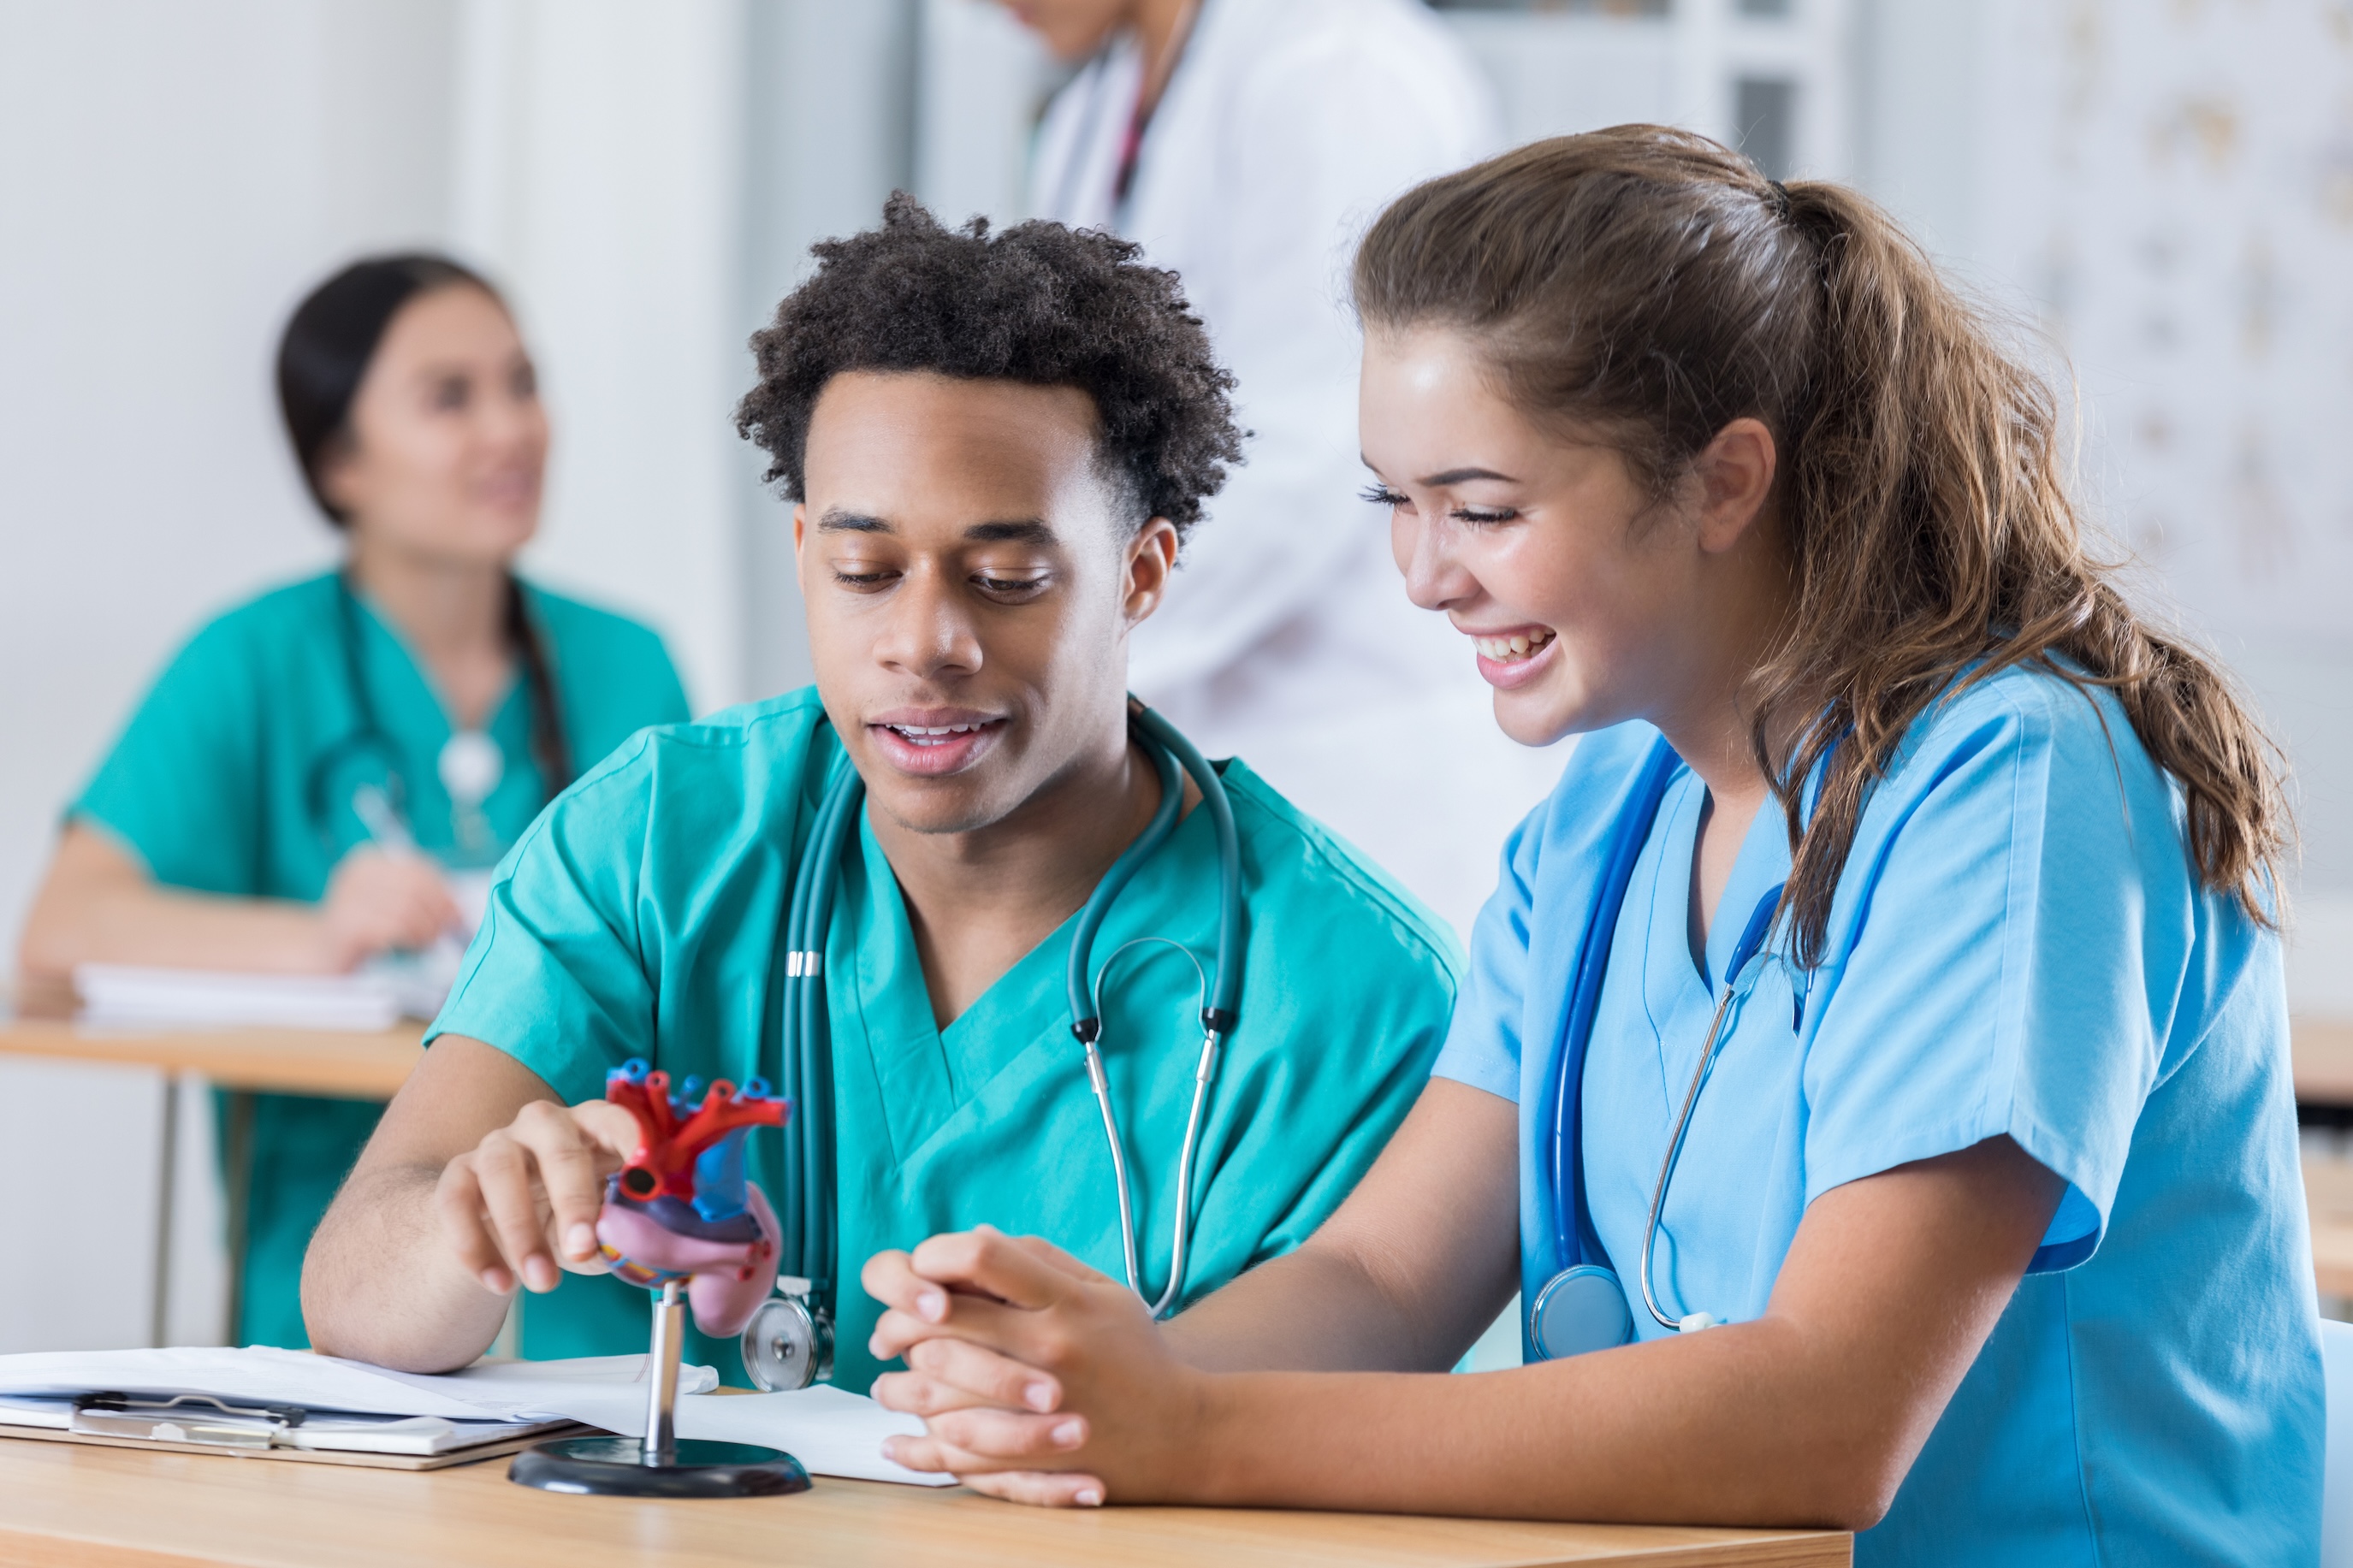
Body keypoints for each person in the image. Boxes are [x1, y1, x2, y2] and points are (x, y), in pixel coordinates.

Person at [859, 129, 2322, 1562]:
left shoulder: (2015, 781)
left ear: (1724, 479)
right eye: (1398, 502)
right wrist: (1072, 1398)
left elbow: (1828, 1413)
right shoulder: (1610, 809)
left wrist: (1191, 1430)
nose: (1425, 576)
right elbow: (1382, 1277)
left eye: (1483, 508)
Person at [301, 199, 1461, 1389]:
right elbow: (350, 1290)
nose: (923, 641)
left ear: (1140, 573)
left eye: (1006, 578)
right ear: (804, 553)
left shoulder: (1350, 992)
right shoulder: (654, 844)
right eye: (864, 572)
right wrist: (481, 1222)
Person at [15, 254, 691, 1351]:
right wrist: (318, 938)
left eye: (522, 383)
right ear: (339, 462)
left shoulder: (626, 668)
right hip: (330, 1286)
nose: (511, 428)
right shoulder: (250, 662)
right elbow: (61, 931)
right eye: (449, 398)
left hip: (596, 1291)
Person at [999, 0, 1558, 937]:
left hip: (1358, 761)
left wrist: (1060, 644)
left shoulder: (1339, 71)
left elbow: (1323, 441)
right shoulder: (1090, 113)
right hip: (1197, 749)